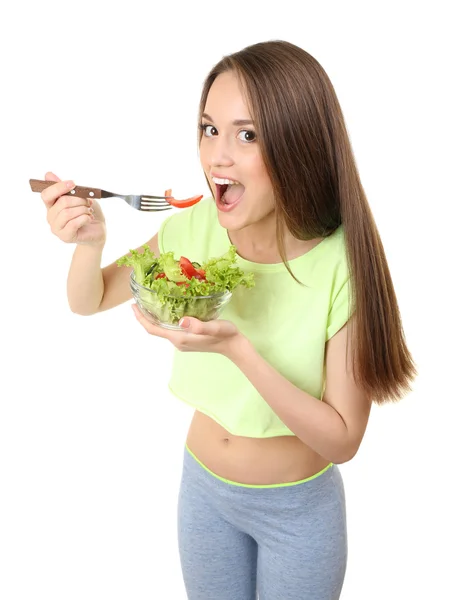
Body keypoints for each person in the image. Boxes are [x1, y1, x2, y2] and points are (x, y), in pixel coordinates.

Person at [40, 40, 416, 600]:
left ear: (298, 146)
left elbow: (343, 439)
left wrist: (236, 348)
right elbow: (89, 298)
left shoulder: (341, 264)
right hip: (204, 492)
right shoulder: (196, 228)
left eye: (247, 134)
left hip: (298, 514)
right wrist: (90, 243)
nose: (216, 156)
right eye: (208, 128)